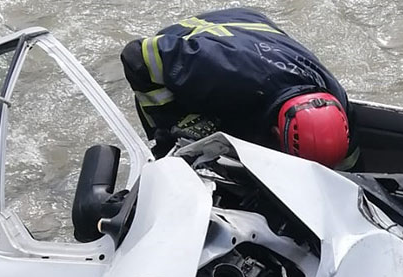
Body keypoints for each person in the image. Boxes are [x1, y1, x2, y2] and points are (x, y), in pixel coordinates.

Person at [119, 8, 351, 166]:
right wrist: (172, 125)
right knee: (175, 142)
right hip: (194, 41)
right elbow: (135, 57)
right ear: (278, 133)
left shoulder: (336, 95)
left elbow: (349, 161)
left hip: (252, 27)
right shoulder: (220, 73)